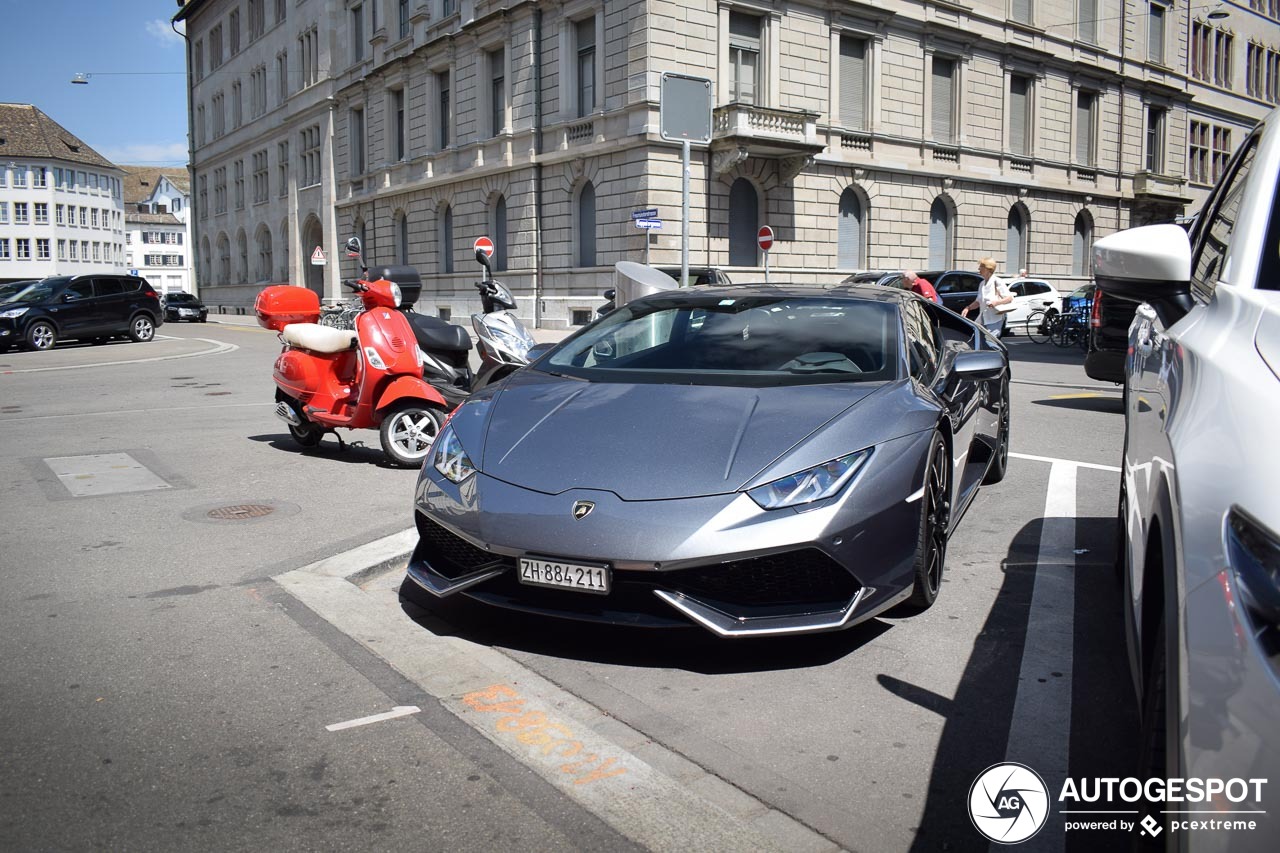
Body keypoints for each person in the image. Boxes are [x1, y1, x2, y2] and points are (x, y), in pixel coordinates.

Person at [961, 257, 1014, 335]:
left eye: (981, 266)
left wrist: (997, 302)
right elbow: (978, 302)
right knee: (979, 341)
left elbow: (1009, 298)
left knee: (990, 344)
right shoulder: (982, 283)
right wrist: (968, 308)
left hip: (994, 320)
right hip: (983, 319)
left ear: (988, 269)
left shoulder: (997, 281)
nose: (979, 268)